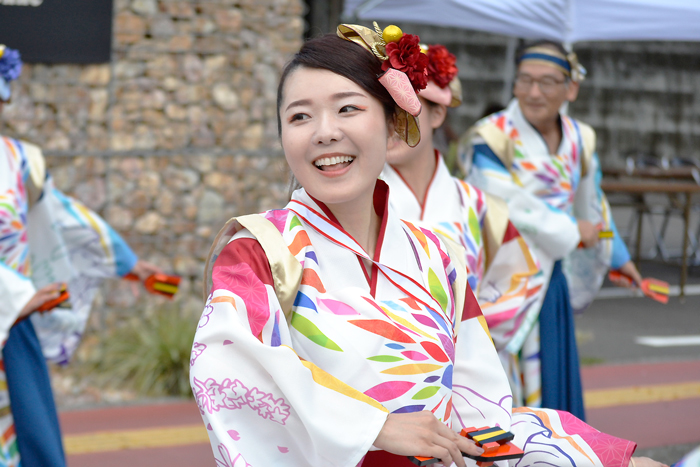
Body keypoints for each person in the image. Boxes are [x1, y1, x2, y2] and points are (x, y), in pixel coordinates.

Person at [190, 25, 665, 467]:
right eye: (299, 116)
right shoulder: (260, 251)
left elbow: (482, 418)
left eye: (348, 108)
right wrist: (375, 426)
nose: (324, 131)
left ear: (395, 124)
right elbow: (227, 372)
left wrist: (600, 458)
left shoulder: (438, 257)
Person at [461, 41, 642, 421]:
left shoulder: (580, 138)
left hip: (551, 280)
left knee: (551, 378)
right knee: (506, 382)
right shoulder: (490, 137)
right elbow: (501, 198)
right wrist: (571, 230)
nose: (533, 92)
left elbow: (591, 205)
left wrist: (618, 256)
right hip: (503, 277)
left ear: (570, 88)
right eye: (524, 80)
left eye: (546, 82)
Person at [0, 44, 161, 467]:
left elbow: (61, 215)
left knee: (27, 441)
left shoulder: (19, 161)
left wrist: (125, 262)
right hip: (11, 306)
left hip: (11, 328)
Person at [382, 42, 545, 407]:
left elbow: (520, 282)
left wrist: (464, 330)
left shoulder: (481, 206)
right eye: (380, 111)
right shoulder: (354, 203)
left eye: (404, 111)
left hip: (473, 381)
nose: (389, 125)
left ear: (438, 114)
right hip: (387, 380)